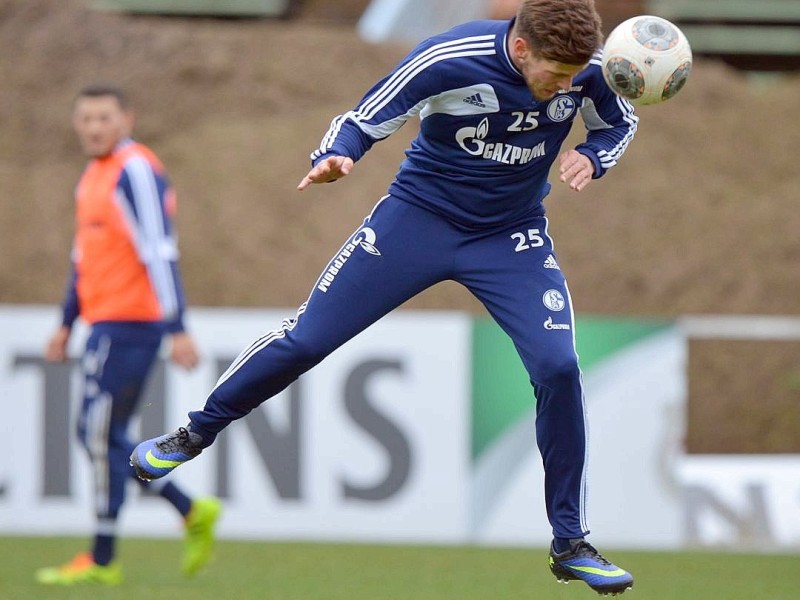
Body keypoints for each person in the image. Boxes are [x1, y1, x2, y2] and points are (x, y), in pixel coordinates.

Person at [132, 0, 637, 594]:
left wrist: (595, 155)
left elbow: (619, 122)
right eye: (556, 74)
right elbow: (366, 115)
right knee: (308, 338)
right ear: (522, 48)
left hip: (511, 237)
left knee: (559, 366)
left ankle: (570, 542)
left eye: (574, 76)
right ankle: (193, 433)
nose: (566, 86)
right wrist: (336, 154)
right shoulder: (449, 57)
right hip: (416, 223)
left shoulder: (594, 67)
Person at [37, 83, 221, 586]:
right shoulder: (91, 178)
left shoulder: (135, 169)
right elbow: (84, 259)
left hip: (134, 323)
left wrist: (177, 325)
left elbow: (159, 249)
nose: (94, 127)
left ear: (126, 119)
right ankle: (186, 511)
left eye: (104, 118)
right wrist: (66, 321)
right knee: (102, 435)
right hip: (104, 322)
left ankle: (103, 558)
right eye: (86, 119)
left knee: (97, 435)